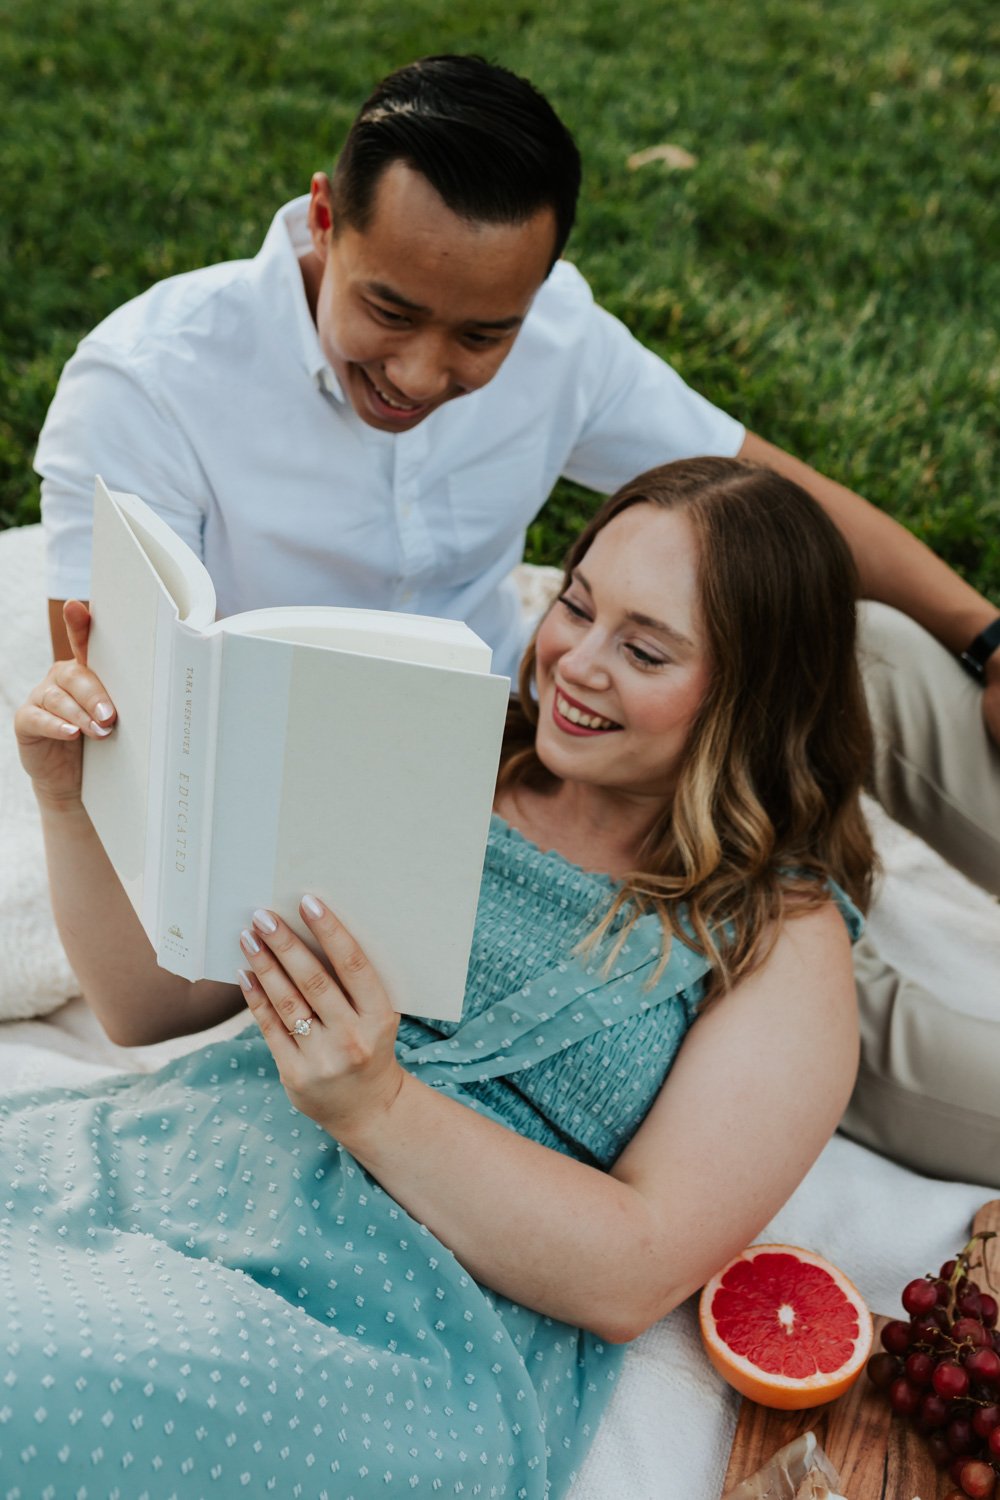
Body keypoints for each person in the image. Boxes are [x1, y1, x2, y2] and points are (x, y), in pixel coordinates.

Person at [33, 56, 1000, 1176]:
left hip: (559, 715)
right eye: (387, 309)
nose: (418, 372)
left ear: (537, 288)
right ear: (322, 219)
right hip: (394, 809)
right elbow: (128, 714)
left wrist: (983, 632)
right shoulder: (148, 385)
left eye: (480, 337)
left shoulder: (559, 343)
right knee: (776, 991)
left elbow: (759, 489)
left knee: (868, 642)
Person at [9, 458, 870, 1496]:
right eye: (575, 606)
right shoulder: (442, 765)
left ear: (756, 694)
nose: (577, 662)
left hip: (394, 1314)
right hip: (181, 1167)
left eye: (642, 649)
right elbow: (147, 1007)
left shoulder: (776, 936)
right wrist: (70, 800)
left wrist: (377, 1105)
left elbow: (635, 1271)